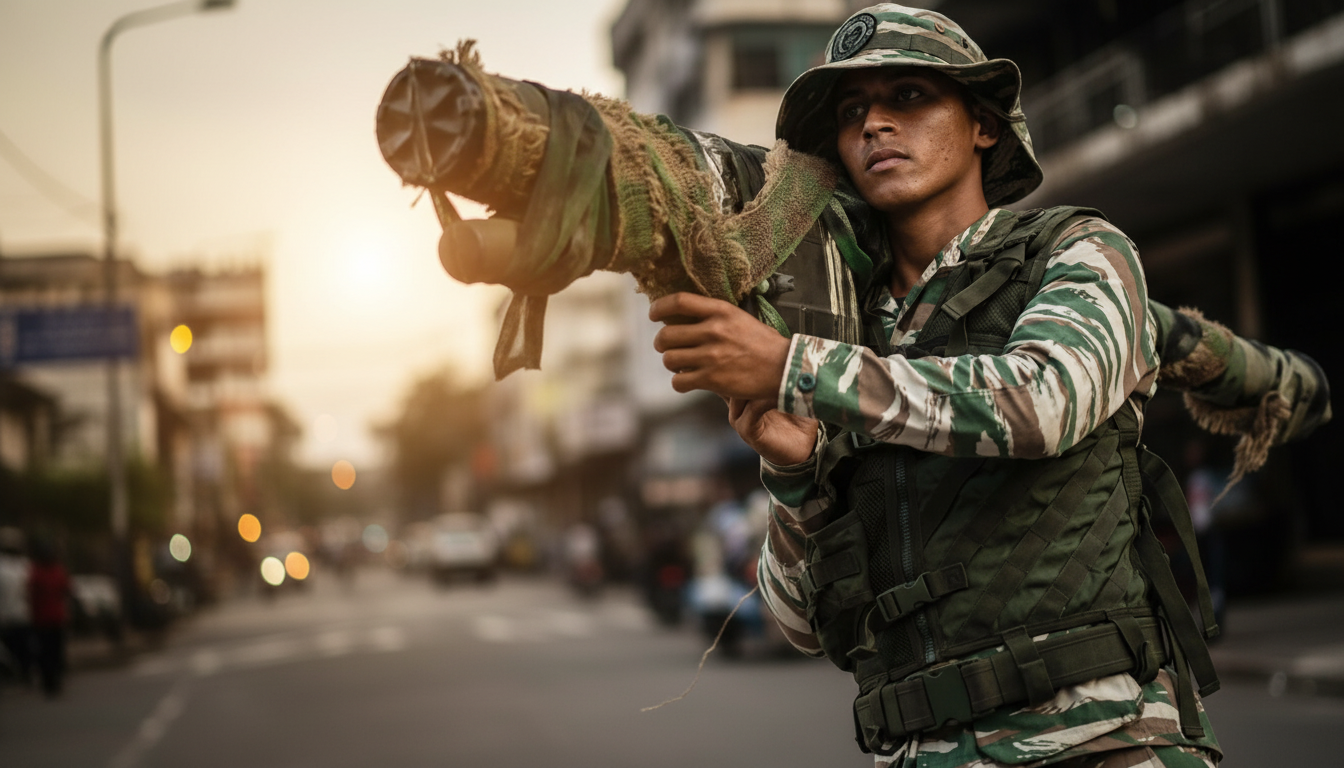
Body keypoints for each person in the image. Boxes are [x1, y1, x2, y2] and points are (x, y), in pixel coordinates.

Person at [374, 7, 1330, 765]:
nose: (874, 122)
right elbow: (793, 618)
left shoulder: (1074, 254)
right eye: (852, 112)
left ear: (983, 125)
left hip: (1101, 748)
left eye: (909, 97)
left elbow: (1043, 401)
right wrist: (795, 477)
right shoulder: (845, 332)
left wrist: (789, 366)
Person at [27, 537, 70, 697]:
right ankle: (51, 682)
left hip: (49, 618)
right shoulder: (42, 571)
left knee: (49, 651)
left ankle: (52, 682)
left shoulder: (43, 571)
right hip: (47, 618)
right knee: (50, 651)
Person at [0, 527, 34, 686]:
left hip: (7, 616)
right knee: (22, 648)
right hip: (23, 615)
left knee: (13, 648)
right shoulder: (26, 567)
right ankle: (23, 674)